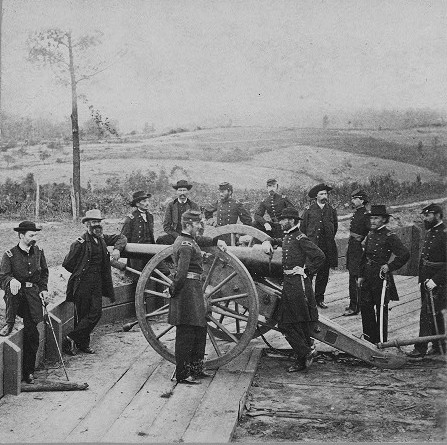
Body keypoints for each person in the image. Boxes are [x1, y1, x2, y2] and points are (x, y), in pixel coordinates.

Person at [262, 208, 325, 372]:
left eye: (283, 220)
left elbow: (320, 256)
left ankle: (305, 353)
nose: (281, 222)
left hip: (298, 286)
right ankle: (303, 357)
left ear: (292, 220)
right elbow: (278, 240)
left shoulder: (300, 237)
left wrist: (307, 271)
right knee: (296, 324)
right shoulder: (289, 236)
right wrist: (268, 241)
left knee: (287, 324)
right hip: (290, 285)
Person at [167, 210, 227, 384]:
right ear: (187, 225)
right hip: (186, 291)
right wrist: (173, 290)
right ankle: (182, 374)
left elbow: (200, 240)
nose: (200, 227)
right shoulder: (185, 245)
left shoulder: (189, 240)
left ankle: (196, 369)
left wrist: (216, 240)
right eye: (197, 224)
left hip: (194, 290)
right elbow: (181, 273)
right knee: (186, 333)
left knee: (199, 330)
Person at [62, 209, 127, 355]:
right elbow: (67, 263)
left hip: (97, 283)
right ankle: (82, 345)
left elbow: (122, 237)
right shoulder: (80, 242)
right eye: (93, 222)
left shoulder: (102, 238)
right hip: (83, 283)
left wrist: (117, 249)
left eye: (98, 222)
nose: (97, 225)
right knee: (82, 314)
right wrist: (80, 271)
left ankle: (70, 338)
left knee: (96, 313)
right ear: (86, 224)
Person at [0, 221, 49, 384]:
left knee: (32, 334)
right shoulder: (9, 255)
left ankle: (28, 372)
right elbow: (2, 277)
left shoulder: (39, 252)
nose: (34, 238)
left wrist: (43, 289)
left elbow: (44, 274)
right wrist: (11, 280)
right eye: (31, 235)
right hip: (16, 298)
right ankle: (9, 323)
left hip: (32, 297)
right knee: (12, 288)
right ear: (21, 236)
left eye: (35, 235)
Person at [358, 205, 410, 344]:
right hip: (368, 275)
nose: (373, 221)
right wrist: (361, 275)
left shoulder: (390, 236)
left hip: (380, 276)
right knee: (366, 307)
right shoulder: (370, 234)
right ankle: (369, 341)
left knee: (381, 309)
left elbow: (404, 254)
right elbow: (364, 256)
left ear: (384, 219)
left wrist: (390, 266)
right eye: (371, 218)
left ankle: (381, 343)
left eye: (376, 218)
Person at [408, 203, 446, 358]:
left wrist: (435, 281)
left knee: (427, 313)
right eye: (424, 215)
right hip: (427, 278)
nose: (425, 218)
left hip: (438, 281)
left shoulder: (444, 234)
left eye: (428, 215)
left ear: (437, 215)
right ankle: (439, 345)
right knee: (434, 313)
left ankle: (420, 348)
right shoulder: (431, 232)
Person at [300, 183, 338, 309]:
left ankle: (319, 299)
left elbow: (335, 228)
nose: (324, 196)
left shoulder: (331, 211)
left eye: (326, 194)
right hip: (312, 249)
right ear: (316, 196)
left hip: (326, 248)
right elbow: (303, 229)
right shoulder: (309, 211)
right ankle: (308, 299)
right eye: (321, 194)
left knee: (323, 275)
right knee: (309, 274)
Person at [343, 189, 370, 316]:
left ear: (362, 200)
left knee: (356, 276)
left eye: (355, 198)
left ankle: (355, 306)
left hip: (358, 249)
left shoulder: (365, 214)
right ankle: (353, 304)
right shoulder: (358, 213)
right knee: (352, 275)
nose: (352, 201)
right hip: (353, 247)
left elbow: (371, 232)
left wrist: (363, 242)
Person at [156, 179, 200, 245]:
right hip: (175, 236)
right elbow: (166, 226)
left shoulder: (194, 206)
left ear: (188, 192)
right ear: (176, 192)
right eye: (180, 190)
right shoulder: (171, 205)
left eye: (184, 190)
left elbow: (198, 224)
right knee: (160, 240)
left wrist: (190, 235)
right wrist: (176, 236)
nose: (182, 193)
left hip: (190, 236)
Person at [121, 190, 155, 273]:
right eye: (144, 201)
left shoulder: (150, 216)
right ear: (137, 204)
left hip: (150, 249)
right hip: (137, 252)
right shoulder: (131, 218)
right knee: (138, 274)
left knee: (163, 271)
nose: (147, 203)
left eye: (148, 201)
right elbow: (124, 237)